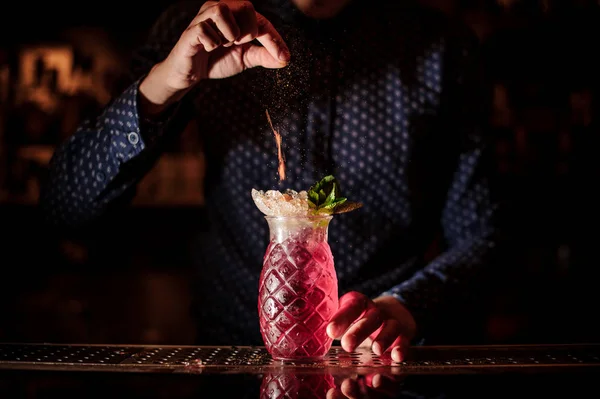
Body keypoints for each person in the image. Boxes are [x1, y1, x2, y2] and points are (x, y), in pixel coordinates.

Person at [40, 0, 500, 362]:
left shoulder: (439, 46)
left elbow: (485, 236)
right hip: (233, 365)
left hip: (385, 368)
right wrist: (165, 83)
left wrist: (407, 306)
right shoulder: (198, 27)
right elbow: (64, 206)